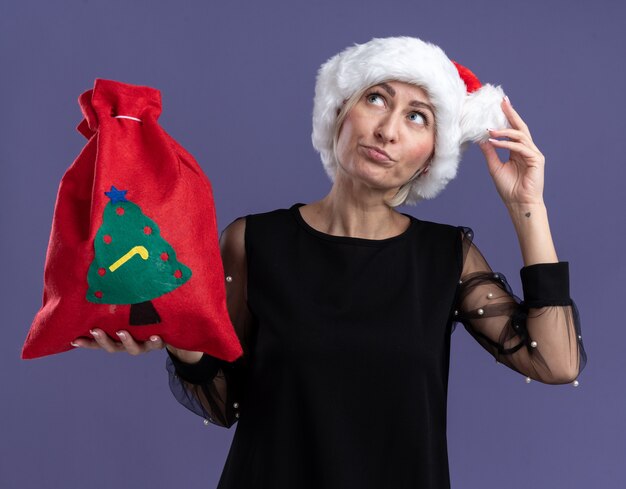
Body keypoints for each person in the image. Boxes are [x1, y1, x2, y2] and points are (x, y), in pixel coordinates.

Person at [72, 37, 587, 488]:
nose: (387, 129)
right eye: (376, 98)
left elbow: (556, 362)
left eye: (417, 116)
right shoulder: (255, 240)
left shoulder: (444, 256)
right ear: (340, 111)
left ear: (431, 155)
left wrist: (527, 207)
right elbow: (226, 403)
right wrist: (177, 340)